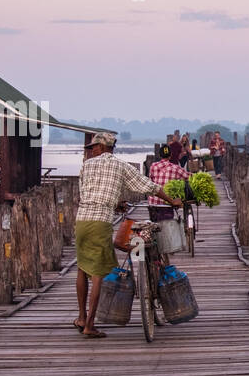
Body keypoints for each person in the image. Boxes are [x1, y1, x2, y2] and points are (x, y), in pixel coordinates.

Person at [74, 133, 182, 338]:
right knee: (97, 273)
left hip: (81, 220)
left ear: (104, 147)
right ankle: (89, 325)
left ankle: (81, 317)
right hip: (100, 222)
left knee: (82, 268)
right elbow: (149, 186)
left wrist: (115, 204)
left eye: (94, 146)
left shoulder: (86, 166)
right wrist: (170, 201)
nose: (91, 150)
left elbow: (87, 193)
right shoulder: (120, 166)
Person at [148, 143, 188, 222]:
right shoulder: (175, 167)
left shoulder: (153, 166)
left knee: (154, 224)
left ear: (160, 155)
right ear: (170, 155)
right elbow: (188, 176)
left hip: (153, 203)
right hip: (167, 202)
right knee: (167, 224)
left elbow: (151, 180)